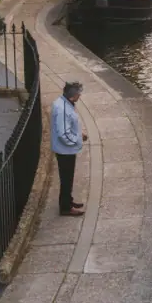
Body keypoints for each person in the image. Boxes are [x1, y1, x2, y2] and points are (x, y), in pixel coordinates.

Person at [50, 81, 87, 216]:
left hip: (64, 149)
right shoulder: (63, 110)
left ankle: (68, 201)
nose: (80, 96)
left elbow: (67, 128)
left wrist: (79, 134)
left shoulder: (62, 103)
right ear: (73, 96)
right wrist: (78, 140)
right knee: (66, 179)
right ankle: (65, 207)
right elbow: (64, 134)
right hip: (65, 151)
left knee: (67, 178)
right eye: (78, 94)